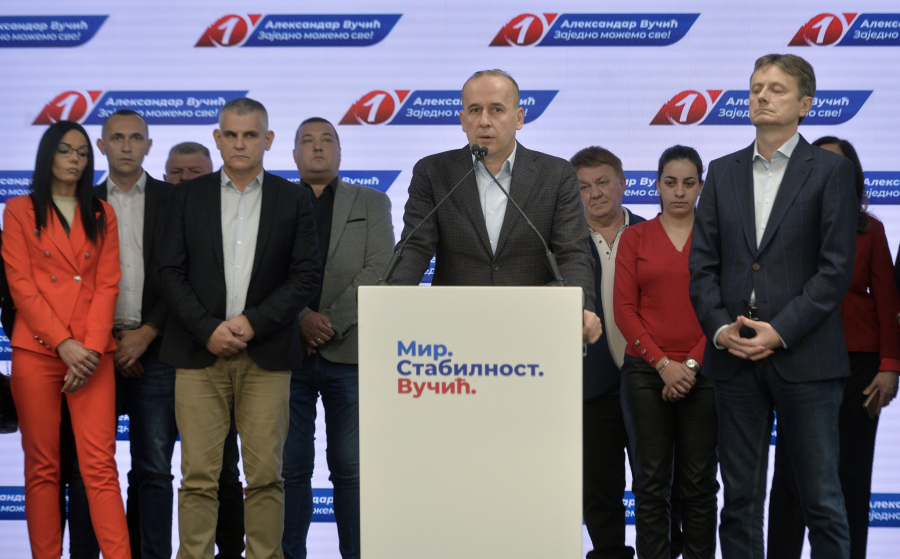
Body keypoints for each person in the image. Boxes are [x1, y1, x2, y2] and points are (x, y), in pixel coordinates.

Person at [689, 54, 858, 559]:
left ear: (805, 104)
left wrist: (779, 331)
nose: (762, 96)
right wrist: (721, 330)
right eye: (756, 87)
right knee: (740, 501)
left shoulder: (831, 171)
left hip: (807, 356)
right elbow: (702, 267)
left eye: (776, 89)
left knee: (821, 499)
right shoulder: (721, 172)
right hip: (733, 356)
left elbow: (834, 271)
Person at [156, 97, 322, 559]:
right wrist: (207, 329)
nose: (240, 143)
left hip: (266, 356)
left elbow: (306, 275)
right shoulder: (186, 196)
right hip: (198, 353)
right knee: (197, 478)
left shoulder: (293, 198)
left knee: (266, 477)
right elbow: (168, 272)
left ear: (268, 139)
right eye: (230, 134)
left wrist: (252, 323)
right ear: (217, 138)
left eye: (250, 135)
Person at [387, 69, 600, 344]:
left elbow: (572, 253)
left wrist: (580, 308)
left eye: (496, 110)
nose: (484, 121)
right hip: (454, 329)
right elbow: (415, 247)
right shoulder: (433, 172)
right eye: (475, 110)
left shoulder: (555, 174)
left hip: (535, 327)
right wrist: (388, 301)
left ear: (519, 118)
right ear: (463, 120)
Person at [766, 136, 900, 559]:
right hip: (799, 360)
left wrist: (890, 365)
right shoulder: (783, 226)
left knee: (851, 478)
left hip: (859, 367)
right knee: (790, 477)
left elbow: (888, 303)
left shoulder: (871, 230)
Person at [2, 120, 129, 558]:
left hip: (92, 355)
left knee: (100, 467)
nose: (75, 159)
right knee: (42, 468)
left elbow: (107, 285)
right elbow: (21, 286)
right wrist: (63, 344)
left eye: (82, 152)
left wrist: (88, 350)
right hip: (38, 351)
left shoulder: (102, 212)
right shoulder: (19, 209)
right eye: (65, 150)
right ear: (47, 156)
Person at [281, 117, 394, 559]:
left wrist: (326, 322)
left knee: (351, 469)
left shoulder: (372, 201)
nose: (318, 147)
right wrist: (300, 320)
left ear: (341, 152)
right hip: (286, 353)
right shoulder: (275, 201)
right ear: (293, 154)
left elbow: (380, 268)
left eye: (327, 139)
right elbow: (265, 270)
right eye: (307, 141)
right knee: (290, 469)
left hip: (351, 354)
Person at [615, 146, 717, 559]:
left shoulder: (718, 237)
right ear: (656, 185)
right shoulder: (635, 237)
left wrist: (690, 364)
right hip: (645, 373)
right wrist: (663, 365)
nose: (679, 192)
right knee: (651, 483)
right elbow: (624, 310)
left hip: (705, 372)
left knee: (700, 484)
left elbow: (726, 307)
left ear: (701, 187)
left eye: (688, 183)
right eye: (670, 183)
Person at [163, 141, 245, 559]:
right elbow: (165, 277)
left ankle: (231, 551)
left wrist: (213, 331)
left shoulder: (228, 211)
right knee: (156, 470)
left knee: (225, 468)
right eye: (175, 172)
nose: (183, 180)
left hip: (215, 352)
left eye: (193, 172)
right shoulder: (161, 209)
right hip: (157, 355)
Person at [570, 146, 644, 559]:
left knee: (658, 486)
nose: (595, 193)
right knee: (600, 491)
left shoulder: (654, 232)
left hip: (652, 381)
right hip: (589, 387)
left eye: (602, 182)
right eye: (583, 187)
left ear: (623, 183)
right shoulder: (561, 244)